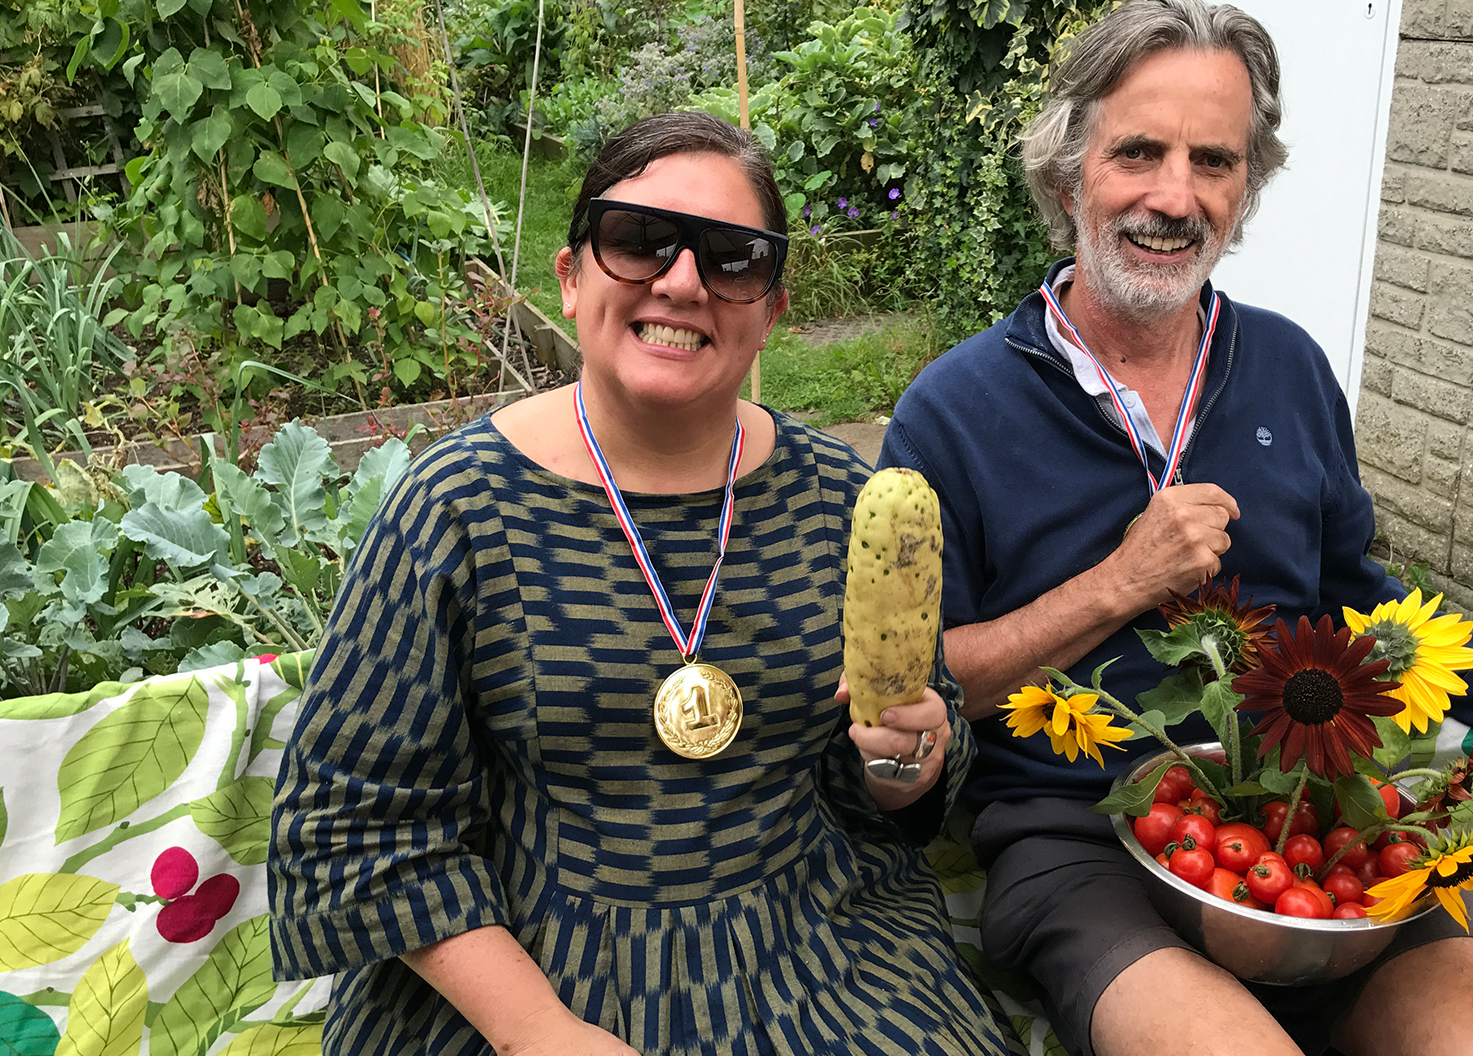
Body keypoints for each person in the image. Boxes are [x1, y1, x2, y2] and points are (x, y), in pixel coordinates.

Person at [877, 0, 1473, 1056]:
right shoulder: (953, 410)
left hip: (1313, 814)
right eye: (1139, 151)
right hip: (1077, 835)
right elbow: (911, 684)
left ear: (1249, 187)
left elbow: (1360, 604)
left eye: (1215, 162)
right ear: (1068, 171)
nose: (1174, 196)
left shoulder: (1286, 367)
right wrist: (1120, 582)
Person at [267, 112, 1015, 1056]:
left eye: (733, 257)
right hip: (531, 964)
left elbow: (899, 789)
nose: (683, 280)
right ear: (573, 277)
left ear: (773, 309)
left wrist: (903, 761)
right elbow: (355, 822)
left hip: (813, 947)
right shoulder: (455, 508)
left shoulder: (843, 498)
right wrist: (539, 1033)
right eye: (638, 240)